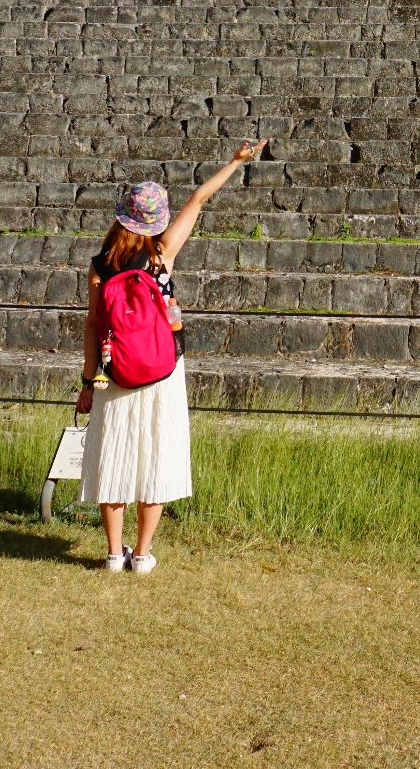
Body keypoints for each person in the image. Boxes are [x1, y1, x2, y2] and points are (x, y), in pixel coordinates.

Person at [76, 140, 265, 572]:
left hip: (113, 371)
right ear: (155, 221)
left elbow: (91, 326)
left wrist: (88, 383)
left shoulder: (100, 265)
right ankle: (142, 555)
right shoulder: (161, 255)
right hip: (162, 371)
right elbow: (200, 198)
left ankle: (112, 553)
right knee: (155, 456)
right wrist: (236, 161)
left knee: (114, 456)